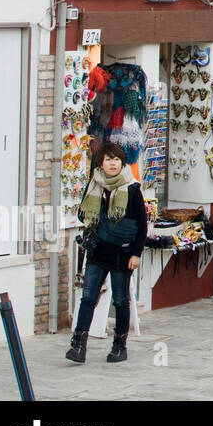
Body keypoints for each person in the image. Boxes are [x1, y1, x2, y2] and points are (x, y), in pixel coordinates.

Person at [66, 142, 146, 364]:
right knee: (88, 297)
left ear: (122, 163)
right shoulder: (95, 185)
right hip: (99, 250)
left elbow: (142, 224)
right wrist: (95, 214)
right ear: (101, 163)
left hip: (123, 252)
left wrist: (136, 253)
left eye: (116, 160)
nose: (112, 164)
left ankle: (119, 346)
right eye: (108, 160)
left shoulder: (132, 189)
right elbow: (83, 215)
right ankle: (78, 345)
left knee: (120, 300)